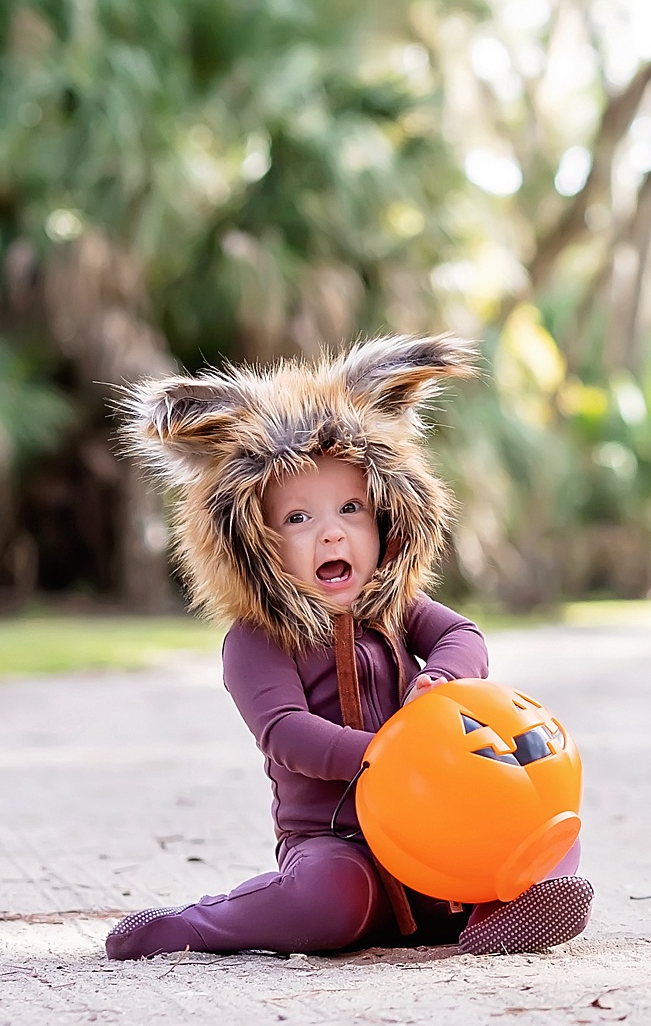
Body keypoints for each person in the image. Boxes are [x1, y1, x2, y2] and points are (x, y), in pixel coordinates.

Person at [102, 333, 591, 965]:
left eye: (351, 508)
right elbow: (286, 732)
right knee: (331, 901)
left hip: (434, 810)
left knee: (537, 824)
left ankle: (507, 906)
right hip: (339, 840)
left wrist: (441, 679)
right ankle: (198, 925)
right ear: (254, 540)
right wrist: (386, 754)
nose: (330, 531)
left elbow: (460, 635)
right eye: (298, 519)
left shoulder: (390, 608)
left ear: (387, 515)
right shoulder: (257, 639)